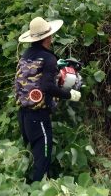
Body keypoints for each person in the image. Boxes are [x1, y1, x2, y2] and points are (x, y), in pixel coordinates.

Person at [14, 17, 81, 182]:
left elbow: (32, 78)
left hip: (23, 115)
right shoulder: (48, 59)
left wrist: (55, 67)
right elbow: (47, 87)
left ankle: (23, 188)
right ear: (46, 38)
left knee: (32, 155)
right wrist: (69, 94)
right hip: (38, 117)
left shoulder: (26, 55)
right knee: (42, 159)